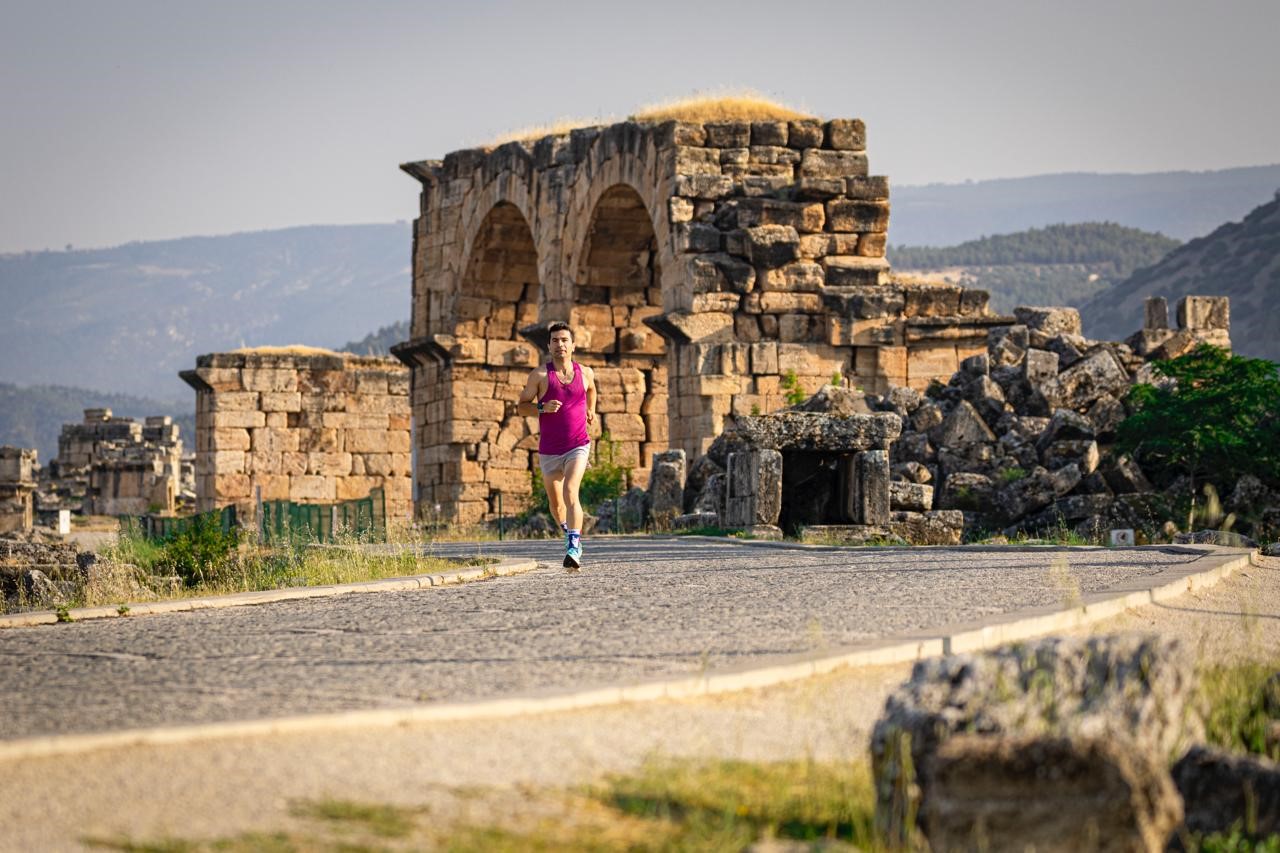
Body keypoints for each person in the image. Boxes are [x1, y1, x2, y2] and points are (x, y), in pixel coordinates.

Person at [517, 322, 596, 569]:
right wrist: (542, 407)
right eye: (555, 341)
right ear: (548, 346)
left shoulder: (586, 373)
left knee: (571, 491)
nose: (560, 345)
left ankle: (574, 546)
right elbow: (521, 407)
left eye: (564, 340)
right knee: (556, 504)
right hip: (549, 450)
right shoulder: (540, 375)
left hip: (578, 445)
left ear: (573, 345)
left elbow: (591, 390)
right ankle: (568, 530)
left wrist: (591, 409)